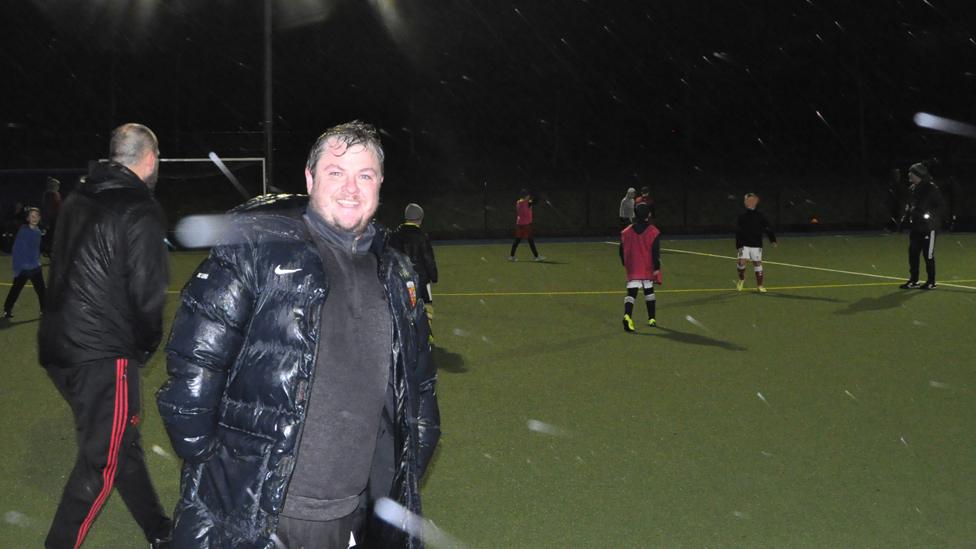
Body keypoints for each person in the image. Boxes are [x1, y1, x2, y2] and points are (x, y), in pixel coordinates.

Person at [157, 121, 441, 548]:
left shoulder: (396, 273)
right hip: (264, 515)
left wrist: (406, 465)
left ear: (380, 184)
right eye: (336, 172)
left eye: (364, 175)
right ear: (310, 179)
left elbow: (418, 389)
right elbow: (194, 365)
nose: (351, 188)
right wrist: (222, 472)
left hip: (353, 516)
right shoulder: (255, 249)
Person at [38, 123, 172, 548]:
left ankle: (158, 529)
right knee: (102, 460)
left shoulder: (79, 196)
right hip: (100, 353)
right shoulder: (140, 207)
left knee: (118, 440)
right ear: (150, 159)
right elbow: (148, 295)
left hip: (59, 345)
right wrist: (143, 347)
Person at [388, 202, 438, 329]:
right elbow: (428, 259)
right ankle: (426, 332)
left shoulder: (395, 235)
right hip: (421, 279)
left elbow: (390, 258)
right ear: (420, 219)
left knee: (405, 306)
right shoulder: (422, 237)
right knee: (426, 305)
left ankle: (407, 333)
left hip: (402, 279)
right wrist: (433, 275)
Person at [899, 162, 945, 289]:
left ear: (918, 175)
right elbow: (911, 206)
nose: (909, 175)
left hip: (929, 228)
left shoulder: (931, 188)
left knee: (928, 255)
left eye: (912, 173)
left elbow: (941, 206)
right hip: (916, 227)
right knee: (913, 253)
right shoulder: (912, 189)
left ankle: (931, 281)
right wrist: (906, 217)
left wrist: (930, 216)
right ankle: (914, 280)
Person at [619, 203, 662, 332]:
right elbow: (655, 252)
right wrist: (657, 266)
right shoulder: (653, 232)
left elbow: (621, 249)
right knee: (649, 291)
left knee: (631, 293)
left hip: (633, 266)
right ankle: (652, 319)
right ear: (648, 215)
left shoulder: (626, 232)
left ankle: (627, 315)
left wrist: (625, 262)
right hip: (647, 266)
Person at [3, 206, 46, 318]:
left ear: (39, 218)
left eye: (36, 216)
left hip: (35, 267)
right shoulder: (23, 231)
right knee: (16, 289)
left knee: (41, 291)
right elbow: (16, 249)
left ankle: (44, 310)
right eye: (32, 216)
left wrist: (37, 260)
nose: (34, 218)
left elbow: (36, 249)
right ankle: (7, 309)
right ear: (28, 218)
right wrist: (18, 267)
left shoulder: (38, 232)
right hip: (24, 268)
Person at [735, 192, 777, 293]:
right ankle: (741, 280)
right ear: (745, 203)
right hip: (744, 244)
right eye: (748, 200)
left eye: (753, 200)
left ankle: (760, 286)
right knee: (741, 263)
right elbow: (738, 231)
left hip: (756, 243)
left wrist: (772, 240)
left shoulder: (760, 215)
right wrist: (738, 245)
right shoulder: (742, 216)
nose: (751, 202)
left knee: (757, 263)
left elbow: (768, 228)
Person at [508, 188, 545, 261]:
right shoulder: (527, 203)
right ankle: (536, 256)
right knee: (530, 240)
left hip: (519, 223)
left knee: (517, 240)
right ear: (525, 196)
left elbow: (533, 201)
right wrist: (538, 195)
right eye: (528, 195)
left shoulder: (518, 202)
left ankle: (511, 256)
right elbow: (535, 200)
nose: (529, 196)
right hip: (526, 224)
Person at [41, 176, 62, 256]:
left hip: (55, 218)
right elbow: (48, 208)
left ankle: (51, 251)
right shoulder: (50, 194)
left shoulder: (55, 194)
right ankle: (49, 251)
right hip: (52, 219)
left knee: (54, 235)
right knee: (51, 235)